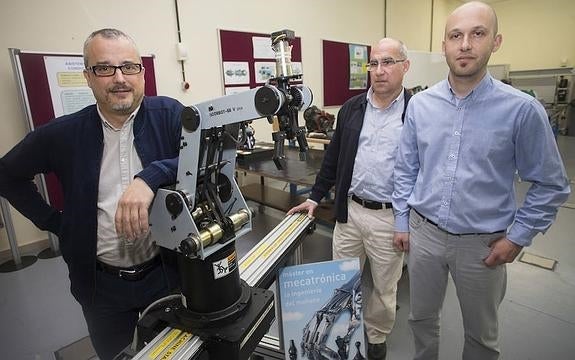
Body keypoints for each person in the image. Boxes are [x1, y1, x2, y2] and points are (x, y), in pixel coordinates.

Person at [392, 2, 570, 360]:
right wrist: (401, 220)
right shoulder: (421, 105)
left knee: (481, 337)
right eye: (455, 36)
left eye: (478, 34)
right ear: (443, 45)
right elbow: (406, 167)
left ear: (496, 41)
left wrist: (518, 237)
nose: (465, 45)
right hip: (423, 236)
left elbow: (552, 184)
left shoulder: (522, 110)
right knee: (421, 319)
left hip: (483, 246)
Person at [0, 29, 184, 360]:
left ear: (142, 73)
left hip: (166, 275)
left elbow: (199, 157)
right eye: (104, 68)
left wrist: (151, 176)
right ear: (88, 76)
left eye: (129, 67)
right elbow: (7, 174)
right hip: (102, 288)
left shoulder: (169, 114)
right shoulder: (62, 133)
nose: (119, 78)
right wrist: (57, 223)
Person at [288, 38, 412, 360]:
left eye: (388, 63)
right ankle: (344, 334)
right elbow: (333, 159)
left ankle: (376, 337)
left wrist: (409, 220)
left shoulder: (417, 112)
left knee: (385, 288)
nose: (379, 71)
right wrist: (315, 198)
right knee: (342, 279)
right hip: (351, 212)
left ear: (405, 67)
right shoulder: (352, 109)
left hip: (390, 218)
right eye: (374, 63)